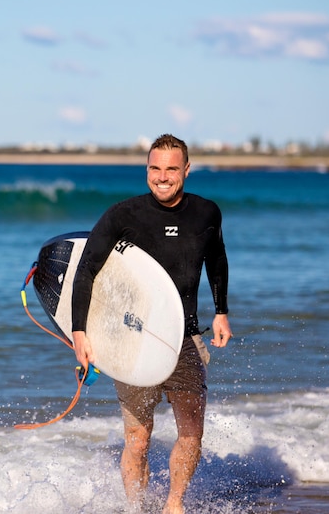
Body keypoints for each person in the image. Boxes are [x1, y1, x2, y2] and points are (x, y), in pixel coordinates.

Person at [71, 133, 233, 514]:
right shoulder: (123, 215)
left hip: (187, 338)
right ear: (147, 169)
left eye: (171, 169)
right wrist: (80, 331)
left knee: (192, 433)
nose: (162, 177)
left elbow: (217, 258)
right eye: (155, 168)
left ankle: (173, 505)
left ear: (186, 170)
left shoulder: (206, 213)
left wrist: (221, 311)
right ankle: (136, 508)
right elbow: (86, 271)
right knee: (138, 438)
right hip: (132, 340)